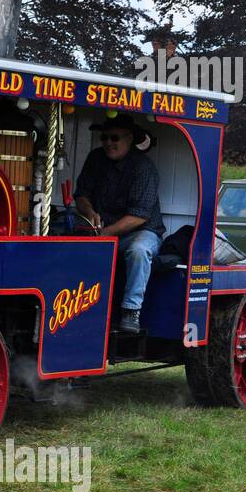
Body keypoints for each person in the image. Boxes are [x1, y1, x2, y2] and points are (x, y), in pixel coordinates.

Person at [72, 114, 165, 334]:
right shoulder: (95, 158)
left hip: (141, 232)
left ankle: (131, 311)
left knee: (139, 251)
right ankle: (81, 308)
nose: (108, 143)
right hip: (101, 230)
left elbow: (139, 216)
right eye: (104, 138)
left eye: (114, 138)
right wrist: (90, 212)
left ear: (129, 138)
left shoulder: (144, 167)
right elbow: (81, 195)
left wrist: (104, 234)